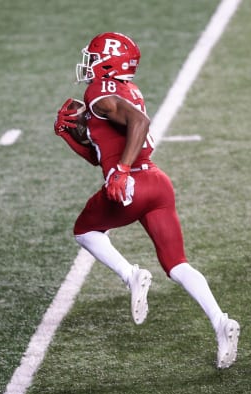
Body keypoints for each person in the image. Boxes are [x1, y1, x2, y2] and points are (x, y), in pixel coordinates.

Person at [53, 32, 240, 369]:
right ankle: (221, 321)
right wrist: (71, 136)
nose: (89, 63)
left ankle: (132, 275)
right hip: (157, 183)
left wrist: (122, 171)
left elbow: (139, 124)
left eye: (94, 57)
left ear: (109, 61)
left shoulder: (98, 91)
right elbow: (101, 155)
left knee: (85, 231)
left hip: (131, 186)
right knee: (178, 264)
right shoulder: (128, 91)